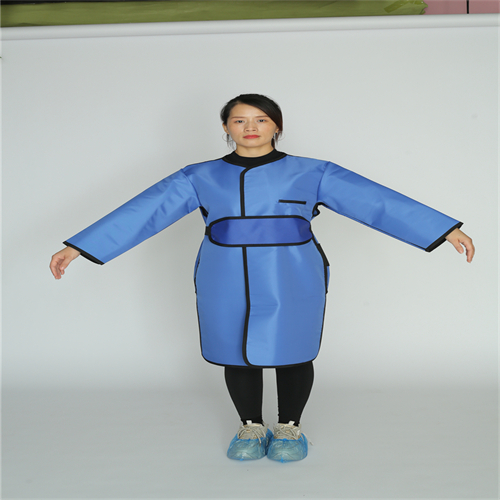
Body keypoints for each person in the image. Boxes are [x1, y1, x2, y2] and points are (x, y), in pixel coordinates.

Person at [50, 94, 474, 463]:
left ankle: (289, 427)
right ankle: (250, 426)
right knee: (234, 349)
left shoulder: (312, 171)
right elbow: (145, 211)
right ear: (225, 127)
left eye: (260, 119)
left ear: (277, 126)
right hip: (224, 273)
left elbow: (376, 201)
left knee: (293, 349)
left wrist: (442, 229)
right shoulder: (198, 176)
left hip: (292, 272)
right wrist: (80, 247)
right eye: (239, 120)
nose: (250, 127)